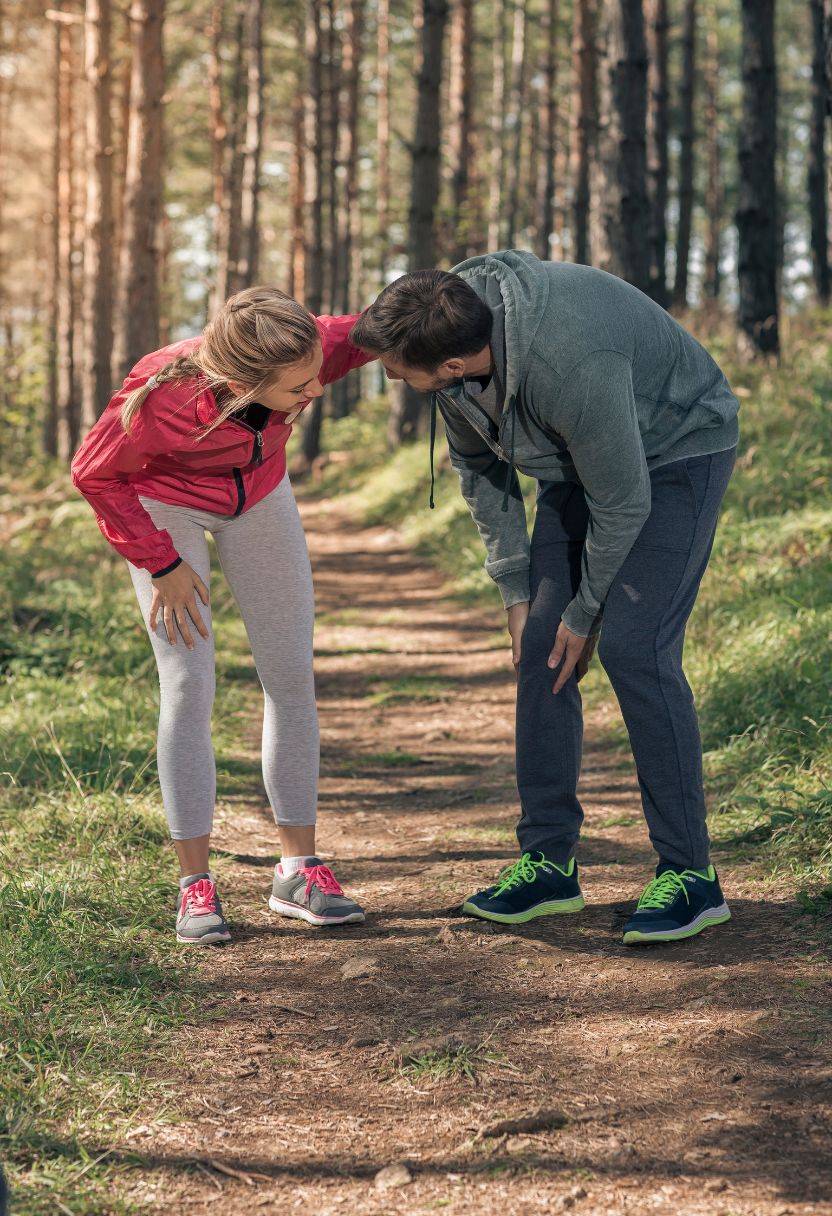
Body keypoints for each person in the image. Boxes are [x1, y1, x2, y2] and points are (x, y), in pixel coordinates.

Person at [350, 251, 739, 945]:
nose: (388, 377)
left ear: (450, 366)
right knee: (540, 646)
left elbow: (623, 502)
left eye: (394, 369)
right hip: (576, 457)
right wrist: (514, 591)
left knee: (634, 648)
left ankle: (692, 875)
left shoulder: (567, 364)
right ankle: (549, 862)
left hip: (677, 448)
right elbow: (477, 471)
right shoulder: (451, 337)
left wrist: (587, 612)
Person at [72, 288, 373, 944]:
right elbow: (94, 472)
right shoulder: (159, 399)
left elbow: (394, 321)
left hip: (259, 498)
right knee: (189, 684)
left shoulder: (304, 345)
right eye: (298, 388)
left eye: (316, 373)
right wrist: (161, 564)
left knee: (291, 675)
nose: (314, 392)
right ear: (241, 382)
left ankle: (298, 869)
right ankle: (195, 885)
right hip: (166, 507)